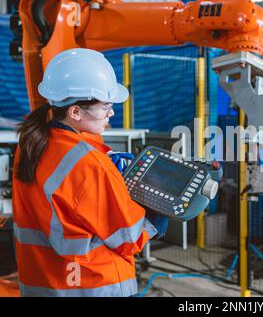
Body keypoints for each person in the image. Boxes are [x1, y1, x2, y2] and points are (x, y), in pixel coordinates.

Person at [12, 48, 168, 297]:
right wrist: (159, 213)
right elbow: (129, 238)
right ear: (75, 111)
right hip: (94, 286)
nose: (112, 113)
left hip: (46, 283)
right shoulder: (91, 164)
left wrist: (106, 165)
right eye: (105, 106)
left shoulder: (31, 142)